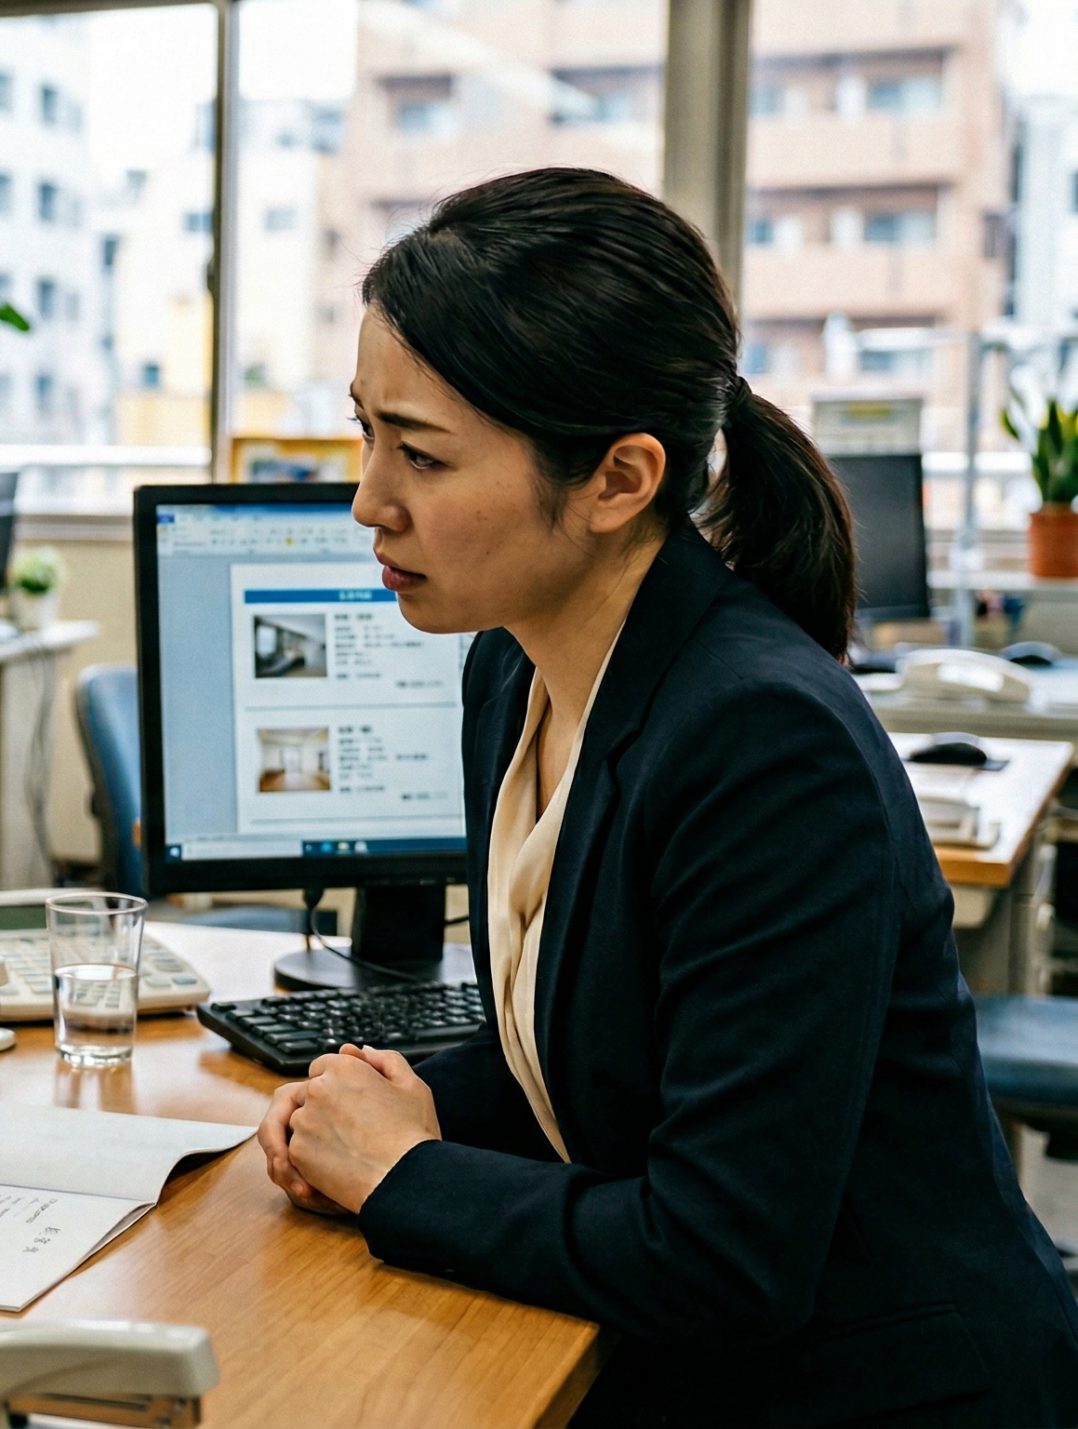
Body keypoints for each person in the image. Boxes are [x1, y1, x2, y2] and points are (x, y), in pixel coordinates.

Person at [255, 167, 1078, 1426]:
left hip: (882, 1392)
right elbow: (586, 1047)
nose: (368, 497)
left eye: (418, 451)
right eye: (365, 431)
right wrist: (375, 1104)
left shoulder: (758, 741)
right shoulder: (511, 666)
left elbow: (720, 1254)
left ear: (618, 481)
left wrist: (406, 1173)